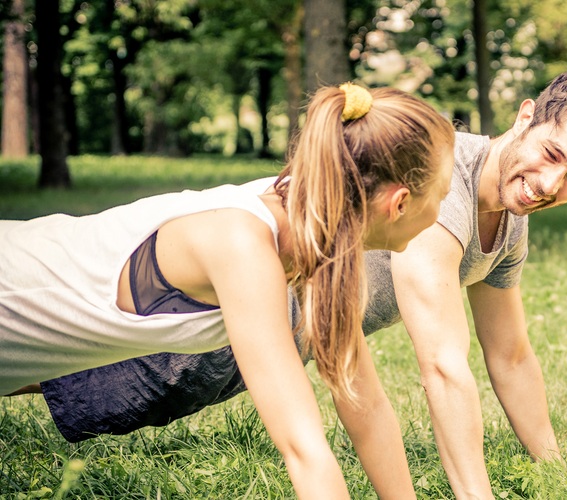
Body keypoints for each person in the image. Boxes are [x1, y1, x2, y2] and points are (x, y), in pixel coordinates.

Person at [20, 70, 567, 497]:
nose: (552, 185)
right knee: (56, 366)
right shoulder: (430, 173)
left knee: (58, 360)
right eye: (553, 155)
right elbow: (435, 370)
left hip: (236, 328)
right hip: (179, 323)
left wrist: (551, 469)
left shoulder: (341, 264)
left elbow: (488, 360)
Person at [0, 83, 456, 499]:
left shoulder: (315, 226)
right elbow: (303, 447)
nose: (441, 210)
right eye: (443, 194)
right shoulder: (243, 244)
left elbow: (366, 404)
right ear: (399, 203)